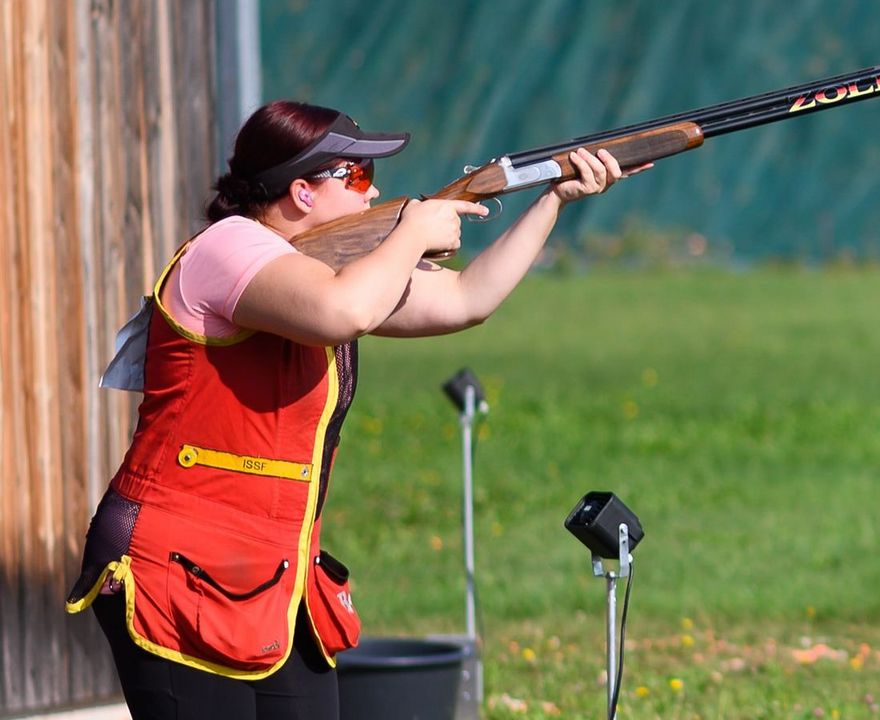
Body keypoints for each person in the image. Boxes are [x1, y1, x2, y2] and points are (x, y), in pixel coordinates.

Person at [65, 100, 646, 719]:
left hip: (273, 577)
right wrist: (413, 235)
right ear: (302, 193)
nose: (377, 194)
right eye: (359, 178)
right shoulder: (226, 248)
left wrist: (551, 199)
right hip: (176, 568)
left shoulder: (332, 268)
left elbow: (465, 298)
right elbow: (343, 312)